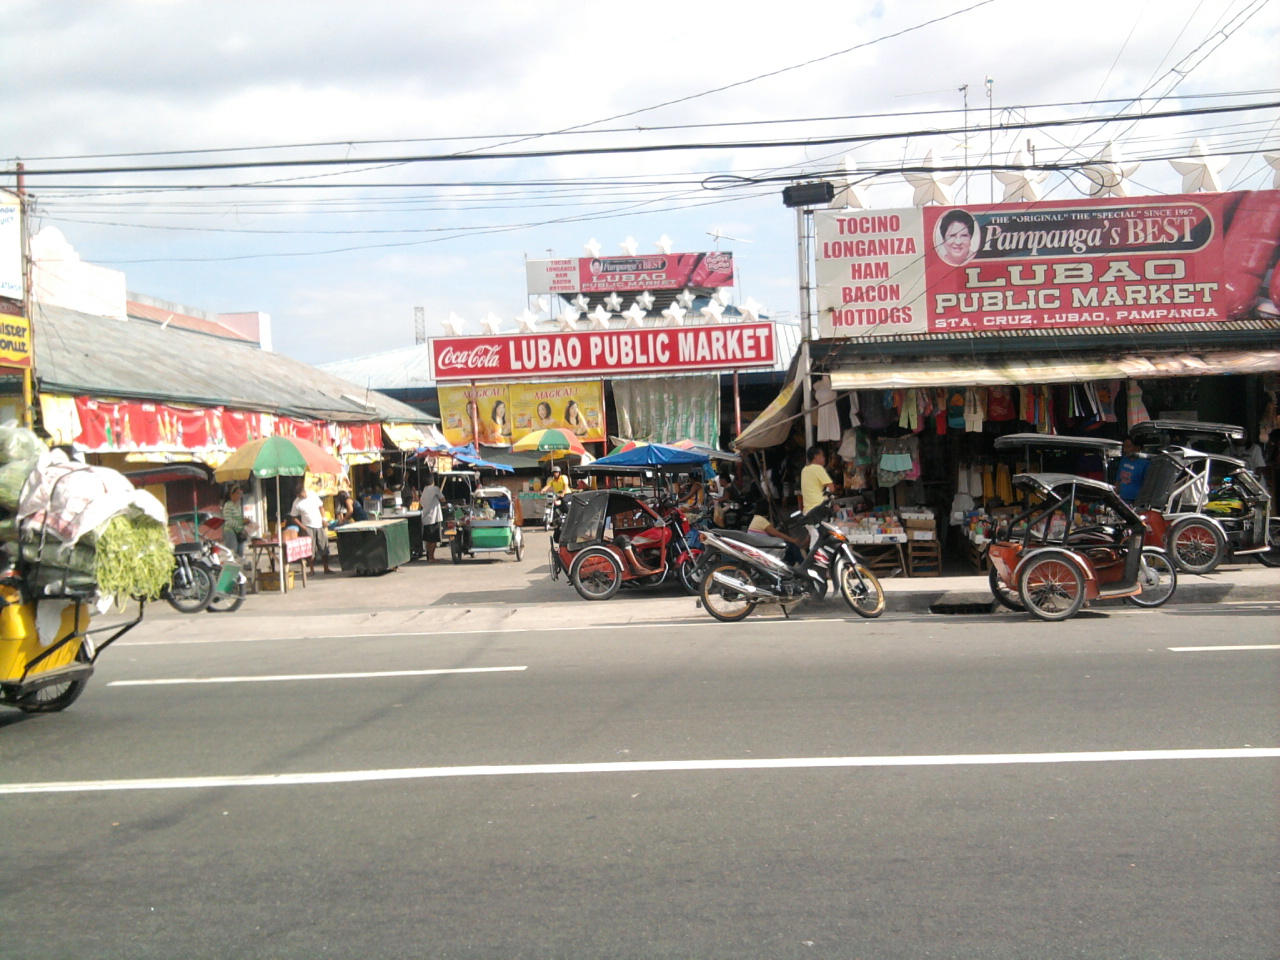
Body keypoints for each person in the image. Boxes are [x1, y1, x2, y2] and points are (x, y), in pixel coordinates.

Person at [290, 482, 331, 573]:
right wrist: (302, 526)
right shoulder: (297, 503)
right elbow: (293, 517)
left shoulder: (312, 494)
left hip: (319, 525)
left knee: (324, 546)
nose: (301, 497)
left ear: (304, 491)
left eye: (302, 495)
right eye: (299, 496)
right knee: (310, 550)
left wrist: (324, 519)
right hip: (308, 527)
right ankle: (311, 570)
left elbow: (321, 507)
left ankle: (326, 568)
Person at [800, 445, 835, 517]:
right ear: (816, 457)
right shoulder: (818, 468)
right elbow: (831, 488)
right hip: (818, 507)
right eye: (822, 456)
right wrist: (827, 496)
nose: (824, 458)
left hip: (807, 510)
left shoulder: (804, 470)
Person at [419, 474, 447, 562]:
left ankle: (429, 556)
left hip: (426, 517)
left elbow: (422, 503)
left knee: (428, 539)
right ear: (432, 481)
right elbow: (443, 499)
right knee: (433, 539)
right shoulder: (434, 488)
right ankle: (431, 557)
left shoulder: (424, 490)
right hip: (433, 518)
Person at [1115, 437, 1149, 503]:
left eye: (1128, 447)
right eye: (1124, 446)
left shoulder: (1145, 463)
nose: (1125, 450)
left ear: (1137, 447)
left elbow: (1147, 486)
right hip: (1122, 500)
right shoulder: (1123, 460)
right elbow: (1118, 481)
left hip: (1135, 501)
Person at [221, 484, 247, 557]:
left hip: (239, 533)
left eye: (240, 494)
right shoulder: (228, 505)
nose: (239, 496)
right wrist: (241, 522)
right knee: (233, 554)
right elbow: (228, 521)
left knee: (240, 554)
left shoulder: (237, 506)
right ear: (232, 494)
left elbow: (238, 519)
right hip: (230, 532)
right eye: (238, 493)